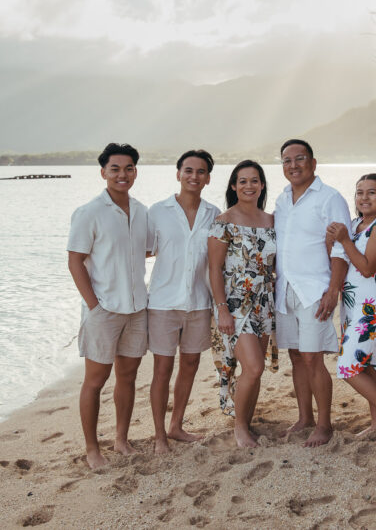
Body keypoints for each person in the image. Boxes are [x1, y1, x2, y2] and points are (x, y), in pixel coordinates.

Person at [67, 142, 152, 469]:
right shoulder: (89, 212)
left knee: (127, 377)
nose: (122, 174)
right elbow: (75, 262)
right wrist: (94, 305)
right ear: (103, 172)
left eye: (128, 168)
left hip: (136, 309)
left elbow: (144, 251)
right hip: (103, 310)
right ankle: (92, 449)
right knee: (95, 380)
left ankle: (120, 439)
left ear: (135, 172)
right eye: (115, 168)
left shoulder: (142, 211)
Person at [274, 139, 351, 447]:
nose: (293, 165)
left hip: (315, 290)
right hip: (285, 290)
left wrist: (333, 290)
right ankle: (304, 417)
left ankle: (324, 424)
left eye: (300, 159)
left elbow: (342, 250)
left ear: (313, 163)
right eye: (287, 161)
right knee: (295, 356)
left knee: (312, 358)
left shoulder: (330, 198)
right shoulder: (281, 200)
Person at [147, 149, 220, 455]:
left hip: (199, 302)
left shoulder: (214, 214)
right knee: (162, 369)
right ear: (178, 174)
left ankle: (176, 426)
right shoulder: (157, 211)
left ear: (208, 178)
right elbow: (143, 251)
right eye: (188, 170)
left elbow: (218, 261)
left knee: (190, 364)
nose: (194, 176)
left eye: (200, 171)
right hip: (163, 302)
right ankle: (159, 434)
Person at [326, 173, 376, 440]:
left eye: (372, 192)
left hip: (375, 308)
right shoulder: (356, 224)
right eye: (359, 192)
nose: (364, 197)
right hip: (355, 305)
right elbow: (341, 257)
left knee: (348, 366)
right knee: (368, 365)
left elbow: (368, 267)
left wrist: (345, 240)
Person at [207, 160, 278, 448]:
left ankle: (247, 420)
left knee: (254, 369)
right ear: (233, 186)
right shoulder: (223, 221)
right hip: (235, 303)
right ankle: (239, 428)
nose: (249, 186)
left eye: (254, 180)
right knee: (254, 367)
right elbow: (213, 269)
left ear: (262, 185)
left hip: (264, 301)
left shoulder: (271, 221)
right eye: (243, 181)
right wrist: (222, 308)